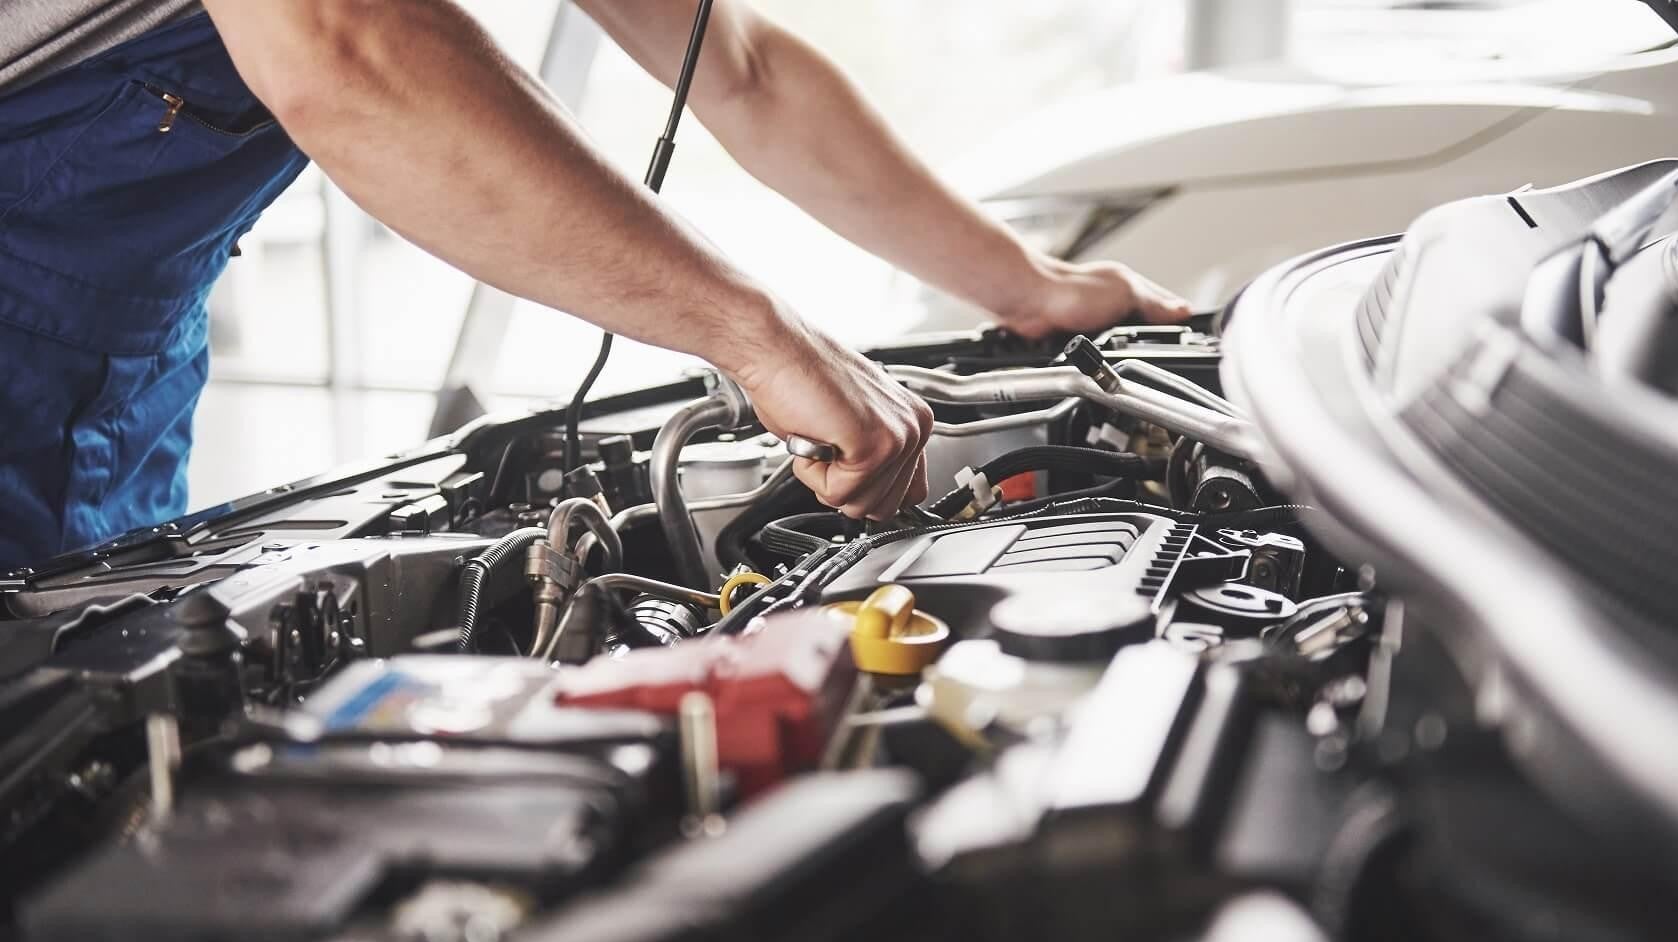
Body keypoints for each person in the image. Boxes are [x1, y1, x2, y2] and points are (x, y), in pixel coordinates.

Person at [0, 0, 1190, 570]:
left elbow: (740, 71)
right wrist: (756, 337)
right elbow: (343, 43)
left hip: (111, 363)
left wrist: (1030, 287)